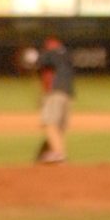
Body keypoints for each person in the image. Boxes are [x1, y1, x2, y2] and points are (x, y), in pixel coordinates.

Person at [34, 35, 75, 163]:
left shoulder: (49, 53)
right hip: (68, 93)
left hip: (55, 91)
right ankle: (56, 153)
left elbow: (39, 64)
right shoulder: (66, 54)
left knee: (50, 123)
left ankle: (58, 154)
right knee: (58, 127)